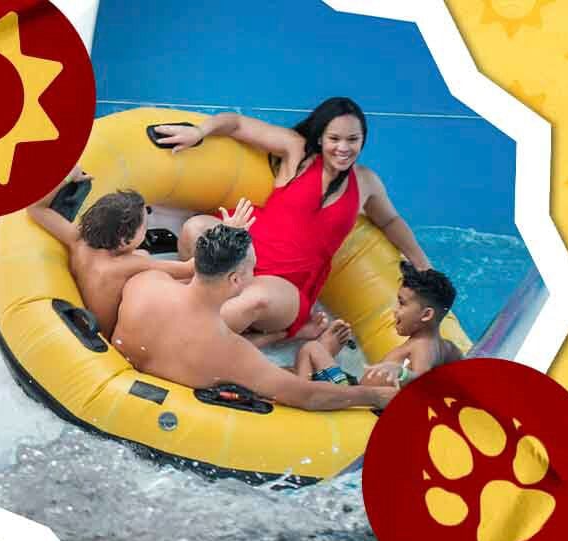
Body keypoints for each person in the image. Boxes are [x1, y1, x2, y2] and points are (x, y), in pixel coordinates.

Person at [155, 97, 431, 341]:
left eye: (353, 139)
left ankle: (186, 335)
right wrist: (199, 132)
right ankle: (207, 308)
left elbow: (390, 221)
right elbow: (236, 124)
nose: (343, 148)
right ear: (320, 138)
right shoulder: (298, 153)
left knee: (254, 299)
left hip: (286, 284)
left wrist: (422, 264)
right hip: (248, 249)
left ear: (363, 140)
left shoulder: (366, 182)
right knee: (194, 228)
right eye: (334, 139)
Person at [112, 224, 398, 411]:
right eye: (253, 270)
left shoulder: (145, 283)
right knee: (291, 373)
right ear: (236, 279)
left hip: (122, 393)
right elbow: (306, 396)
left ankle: (296, 342)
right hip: (194, 405)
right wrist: (373, 396)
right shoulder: (230, 352)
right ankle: (318, 349)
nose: (255, 276)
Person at [27, 166, 202, 339]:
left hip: (91, 324)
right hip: (112, 337)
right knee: (155, 267)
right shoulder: (127, 265)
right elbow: (189, 269)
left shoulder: (78, 241)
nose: (145, 230)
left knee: (142, 255)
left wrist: (67, 177)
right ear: (125, 241)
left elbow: (35, 208)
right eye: (144, 227)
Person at [309, 261, 463, 389]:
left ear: (426, 315)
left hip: (354, 398)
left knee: (312, 350)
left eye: (402, 303)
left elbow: (420, 380)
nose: (395, 310)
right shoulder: (447, 347)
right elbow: (460, 365)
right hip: (359, 390)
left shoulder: (422, 346)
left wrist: (400, 372)